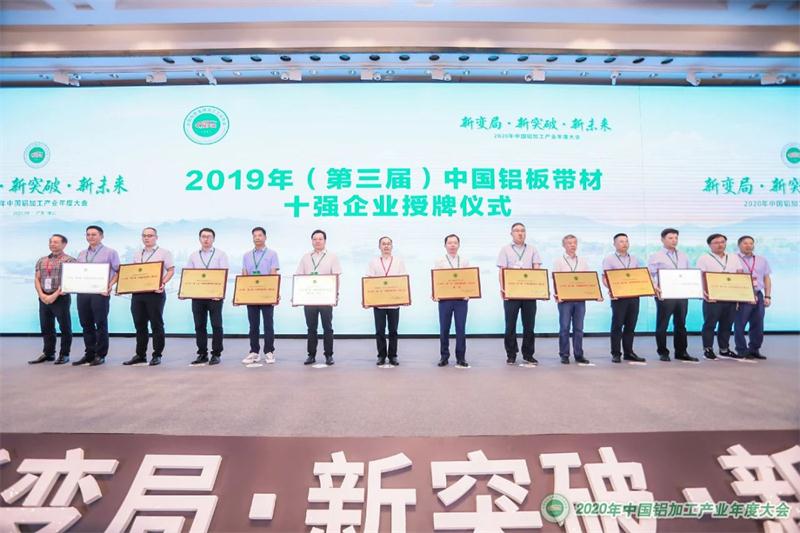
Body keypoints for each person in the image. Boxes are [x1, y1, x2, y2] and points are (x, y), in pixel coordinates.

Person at [122, 227, 174, 367]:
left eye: (150, 235)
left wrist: (162, 283)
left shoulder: (164, 252)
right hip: (138, 293)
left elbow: (171, 270)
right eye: (144, 235)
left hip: (155, 293)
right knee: (140, 325)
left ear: (156, 237)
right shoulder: (137, 253)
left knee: (156, 324)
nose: (147, 238)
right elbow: (133, 273)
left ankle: (157, 355)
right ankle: (140, 355)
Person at [647, 228, 698, 363]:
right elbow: (650, 275)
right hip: (665, 294)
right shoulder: (656, 256)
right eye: (670, 238)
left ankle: (681, 352)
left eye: (676, 238)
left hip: (681, 295)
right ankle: (663, 352)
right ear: (662, 239)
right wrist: (655, 287)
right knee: (662, 324)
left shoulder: (683, 255)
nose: (674, 240)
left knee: (681, 324)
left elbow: (688, 274)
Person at [73, 225, 120, 366]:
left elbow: (118, 271)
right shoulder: (82, 254)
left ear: (101, 236)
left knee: (100, 323)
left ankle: (100, 355)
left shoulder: (110, 252)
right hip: (83, 293)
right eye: (88, 234)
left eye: (94, 234)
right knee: (85, 324)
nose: (90, 237)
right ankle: (89, 354)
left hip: (100, 293)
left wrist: (109, 286)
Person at [496, 222, 541, 365]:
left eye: (522, 230)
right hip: (512, 293)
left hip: (529, 294)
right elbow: (502, 271)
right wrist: (503, 288)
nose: (520, 233)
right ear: (511, 234)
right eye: (516, 231)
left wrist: (539, 289)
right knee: (510, 325)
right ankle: (511, 354)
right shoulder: (505, 249)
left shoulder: (532, 249)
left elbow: (537, 270)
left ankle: (528, 354)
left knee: (529, 325)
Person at [296, 229, 342, 366]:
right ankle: (311, 355)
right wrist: (297, 296)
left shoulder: (332, 257)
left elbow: (336, 277)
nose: (317, 241)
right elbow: (299, 277)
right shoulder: (305, 257)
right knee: (311, 328)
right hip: (309, 299)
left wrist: (335, 295)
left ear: (325, 241)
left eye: (320, 239)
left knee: (327, 327)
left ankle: (329, 355)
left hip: (326, 298)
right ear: (311, 241)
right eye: (315, 239)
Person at [184, 227, 229, 365]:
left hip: (215, 297)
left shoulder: (221, 254)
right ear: (199, 239)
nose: (206, 239)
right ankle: (202, 354)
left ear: (213, 239)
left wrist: (220, 293)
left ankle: (216, 354)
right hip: (198, 297)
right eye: (203, 236)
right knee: (199, 326)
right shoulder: (193, 256)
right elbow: (189, 276)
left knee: (216, 325)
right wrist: (185, 291)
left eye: (209, 237)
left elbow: (224, 274)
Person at [696, 233, 744, 360]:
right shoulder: (704, 258)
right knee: (710, 324)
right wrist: (704, 293)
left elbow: (739, 274)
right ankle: (708, 349)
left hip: (730, 296)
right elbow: (700, 276)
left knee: (727, 324)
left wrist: (739, 295)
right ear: (709, 245)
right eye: (716, 242)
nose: (720, 245)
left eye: (722, 242)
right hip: (713, 297)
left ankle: (724, 349)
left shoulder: (733, 257)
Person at [30, 234, 75, 365]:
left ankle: (64, 354)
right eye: (50, 242)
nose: (52, 244)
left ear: (64, 244)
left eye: (55, 242)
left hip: (61, 297)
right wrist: (41, 295)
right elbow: (37, 279)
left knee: (65, 327)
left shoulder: (70, 261)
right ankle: (48, 353)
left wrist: (54, 295)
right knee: (46, 326)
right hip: (44, 297)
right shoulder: (42, 260)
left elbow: (69, 281)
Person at [553, 234, 598, 365]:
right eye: (569, 243)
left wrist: (594, 294)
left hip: (580, 299)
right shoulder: (559, 261)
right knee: (564, 328)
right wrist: (557, 295)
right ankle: (564, 354)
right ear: (564, 245)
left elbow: (588, 279)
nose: (572, 245)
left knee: (579, 328)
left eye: (574, 243)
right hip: (565, 300)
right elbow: (555, 279)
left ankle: (579, 354)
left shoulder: (583, 260)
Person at [601, 233, 646, 363]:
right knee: (617, 325)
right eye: (621, 241)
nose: (624, 244)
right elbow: (605, 278)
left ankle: (629, 352)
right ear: (614, 244)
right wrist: (612, 289)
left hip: (634, 296)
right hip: (619, 297)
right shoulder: (609, 259)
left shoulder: (635, 259)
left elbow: (641, 276)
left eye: (626, 241)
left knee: (630, 326)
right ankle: (616, 353)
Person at [240, 226, 280, 366]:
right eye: (255, 235)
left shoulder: (272, 254)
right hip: (251, 295)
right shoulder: (246, 255)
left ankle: (269, 351)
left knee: (268, 324)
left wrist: (274, 294)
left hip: (266, 294)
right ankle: (254, 352)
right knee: (253, 325)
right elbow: (244, 275)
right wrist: (242, 294)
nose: (257, 238)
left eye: (260, 235)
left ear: (265, 237)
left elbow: (273, 274)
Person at [366, 236, 407, 366]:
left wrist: (404, 298)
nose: (386, 246)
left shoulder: (399, 262)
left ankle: (393, 356)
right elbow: (369, 281)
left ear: (392, 246)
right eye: (383, 244)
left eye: (388, 244)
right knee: (380, 331)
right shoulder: (373, 262)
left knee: (393, 331)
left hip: (394, 303)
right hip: (379, 303)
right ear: (379, 246)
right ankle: (381, 356)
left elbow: (403, 280)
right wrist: (367, 300)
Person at [434, 234, 470, 368]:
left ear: (459, 245)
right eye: (450, 243)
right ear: (445, 245)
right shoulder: (439, 261)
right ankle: (444, 357)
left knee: (460, 329)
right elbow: (436, 279)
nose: (452, 245)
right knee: (444, 329)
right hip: (445, 300)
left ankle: (461, 358)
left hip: (461, 300)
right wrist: (435, 293)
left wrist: (469, 292)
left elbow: (468, 279)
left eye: (455, 243)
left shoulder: (464, 260)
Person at [734, 235, 771, 359]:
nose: (748, 246)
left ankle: (754, 349)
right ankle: (741, 350)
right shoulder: (733, 259)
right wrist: (735, 299)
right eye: (745, 243)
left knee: (758, 323)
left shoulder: (761, 260)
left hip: (757, 294)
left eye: (751, 243)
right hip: (741, 295)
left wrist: (768, 296)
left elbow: (766, 278)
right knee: (740, 324)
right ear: (739, 245)